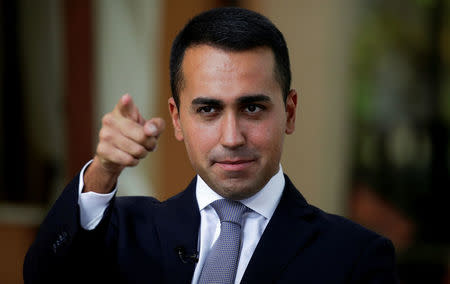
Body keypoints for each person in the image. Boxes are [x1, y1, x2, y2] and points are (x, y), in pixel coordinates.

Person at [24, 7, 397, 284]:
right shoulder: (122, 233)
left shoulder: (355, 257)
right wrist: (103, 171)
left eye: (253, 108)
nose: (232, 138)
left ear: (290, 112)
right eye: (208, 109)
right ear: (176, 118)